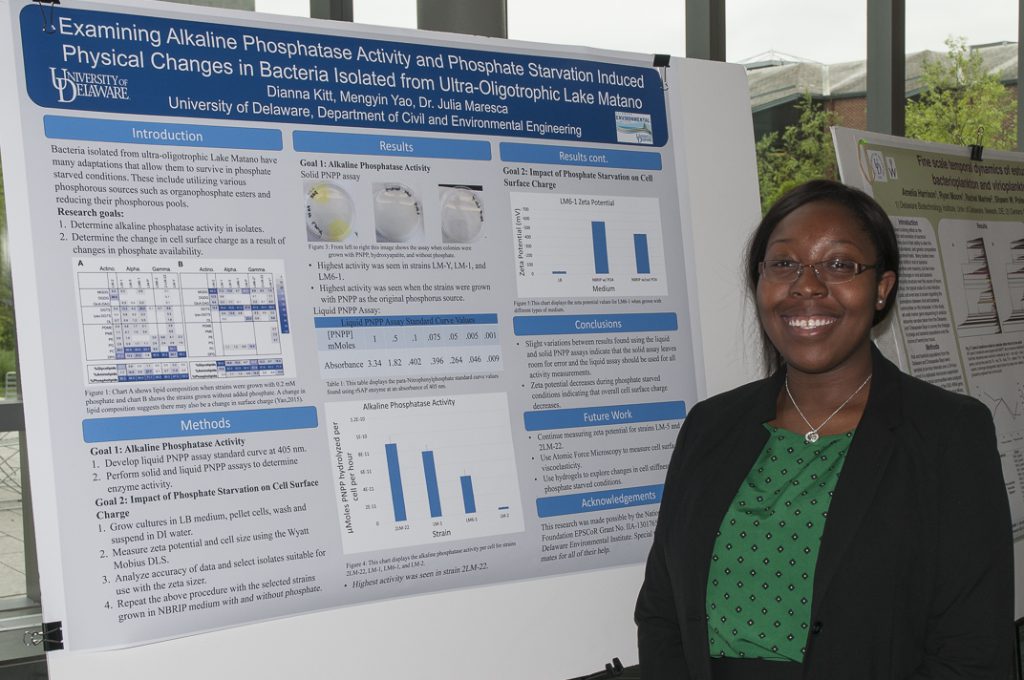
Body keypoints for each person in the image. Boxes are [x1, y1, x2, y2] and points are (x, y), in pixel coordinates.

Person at [635, 179, 1013, 680]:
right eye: (784, 264)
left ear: (882, 288)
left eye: (839, 264)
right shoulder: (710, 426)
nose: (807, 285)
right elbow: (661, 610)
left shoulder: (948, 434)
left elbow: (973, 650)